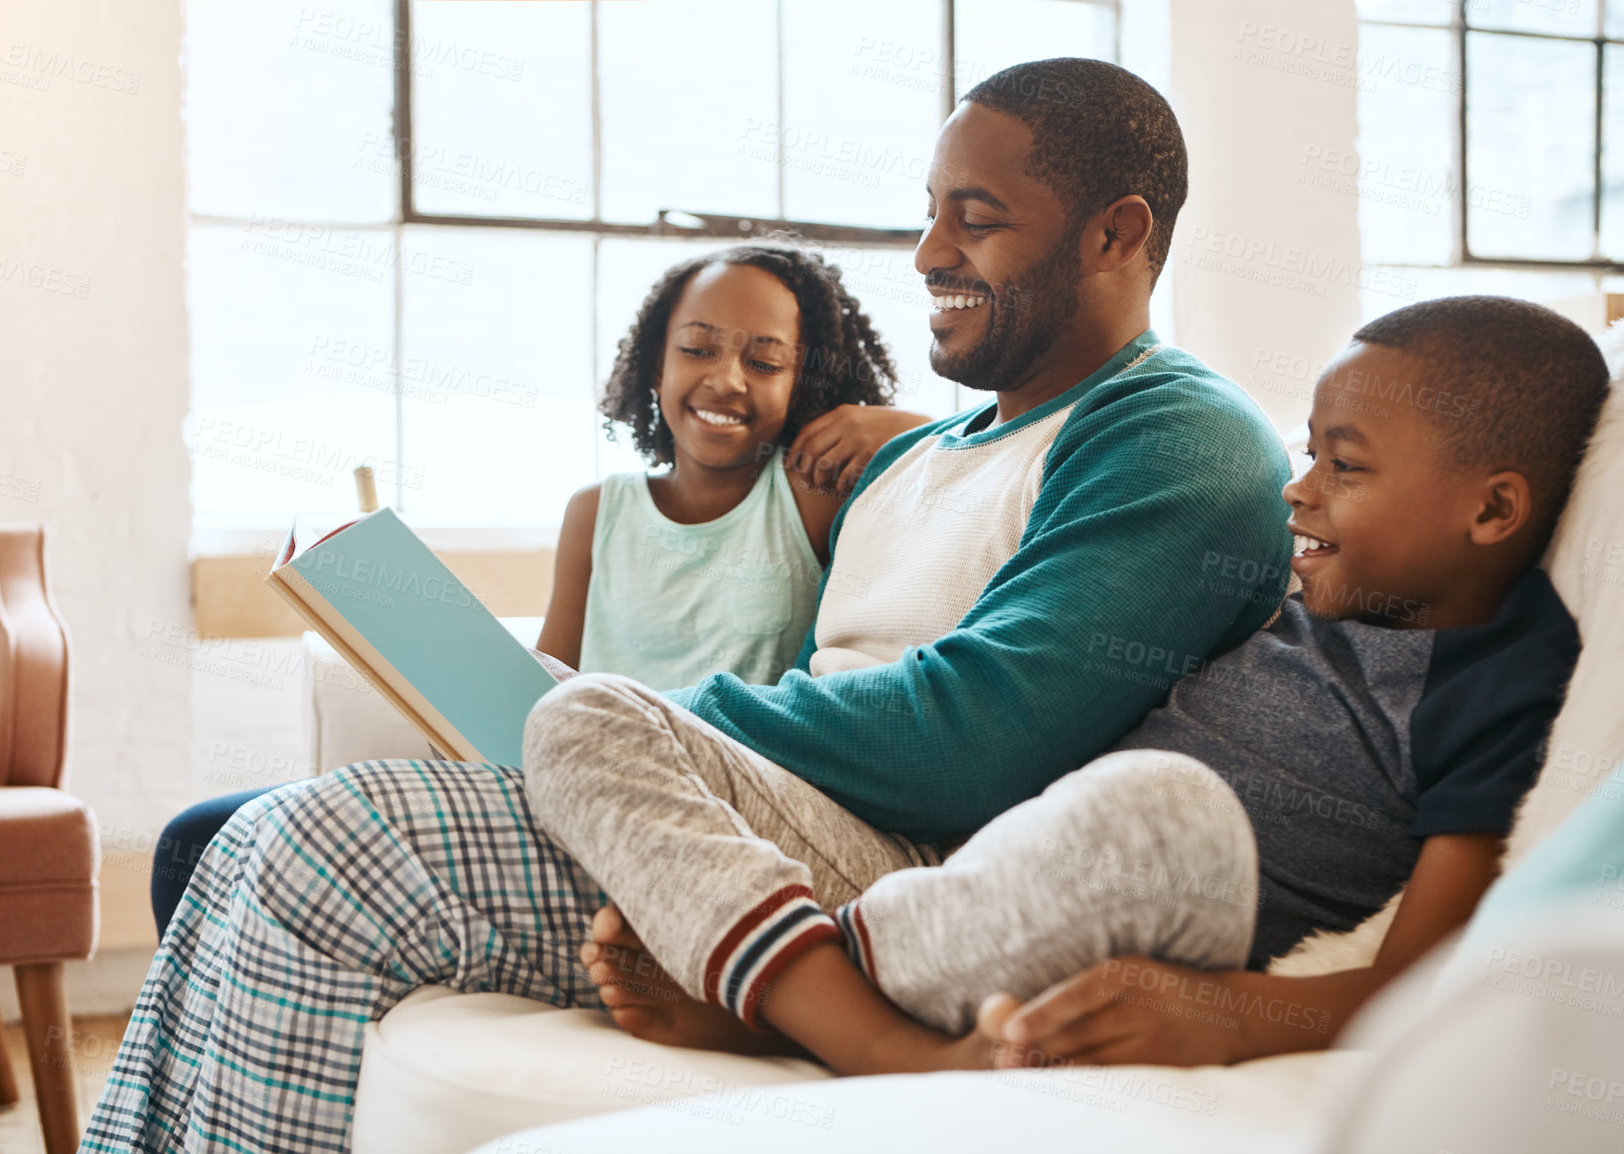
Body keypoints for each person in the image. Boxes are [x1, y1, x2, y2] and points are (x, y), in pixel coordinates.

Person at [84, 58, 1291, 1154]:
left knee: (324, 848)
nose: (927, 251)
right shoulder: (913, 451)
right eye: (927, 211)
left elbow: (981, 737)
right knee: (243, 840)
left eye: (973, 220)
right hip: (745, 823)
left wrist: (661, 722)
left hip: (889, 863)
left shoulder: (1174, 432)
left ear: (1115, 233)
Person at [547, 295, 1604, 1076]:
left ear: (1493, 509)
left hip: (1153, 885)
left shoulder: (1501, 679)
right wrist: (923, 438)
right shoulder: (1298, 589)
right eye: (1307, 454)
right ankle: (812, 999)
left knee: (1163, 807)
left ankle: (809, 1009)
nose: (1298, 488)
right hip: (969, 878)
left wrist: (1228, 1011)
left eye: (1345, 466)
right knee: (580, 714)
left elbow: (1425, 978)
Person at [143, 244, 926, 937]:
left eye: (764, 361)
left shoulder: (806, 497)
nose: (726, 378)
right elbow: (541, 691)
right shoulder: (598, 511)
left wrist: (891, 423)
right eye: (697, 349)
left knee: (264, 835)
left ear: (808, 380)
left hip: (693, 809)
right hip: (567, 785)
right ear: (657, 364)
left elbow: (977, 456)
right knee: (201, 836)